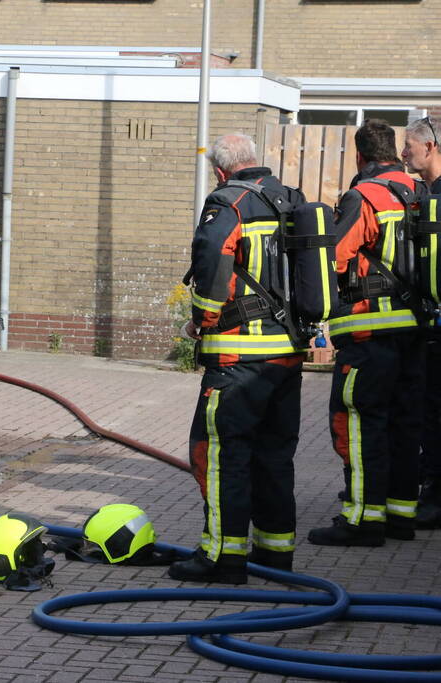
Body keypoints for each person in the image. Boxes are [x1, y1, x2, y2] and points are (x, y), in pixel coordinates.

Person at [171, 133, 306, 584]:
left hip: (237, 358)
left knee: (219, 454)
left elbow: (212, 257)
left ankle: (222, 558)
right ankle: (275, 555)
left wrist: (203, 320)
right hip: (286, 356)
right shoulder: (290, 199)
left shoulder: (227, 203)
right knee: (274, 455)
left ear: (221, 170)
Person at [308, 119, 425, 546]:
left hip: (368, 333)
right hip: (416, 332)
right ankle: (400, 517)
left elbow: (334, 260)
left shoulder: (364, 197)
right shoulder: (421, 195)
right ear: (394, 152)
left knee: (359, 422)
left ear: (360, 157)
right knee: (404, 424)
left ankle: (361, 521)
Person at [401, 115, 441, 528]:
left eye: (409, 146)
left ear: (430, 147)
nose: (403, 153)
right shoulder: (424, 193)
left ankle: (436, 495)